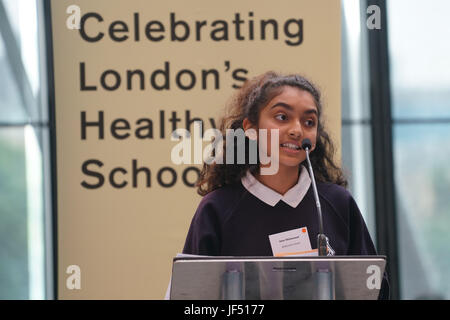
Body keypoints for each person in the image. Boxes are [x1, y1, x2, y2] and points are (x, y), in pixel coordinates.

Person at [182, 71, 389, 299]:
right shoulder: (217, 208)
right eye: (282, 117)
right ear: (251, 129)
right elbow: (192, 297)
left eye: (309, 122)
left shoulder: (338, 203)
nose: (297, 130)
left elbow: (375, 289)